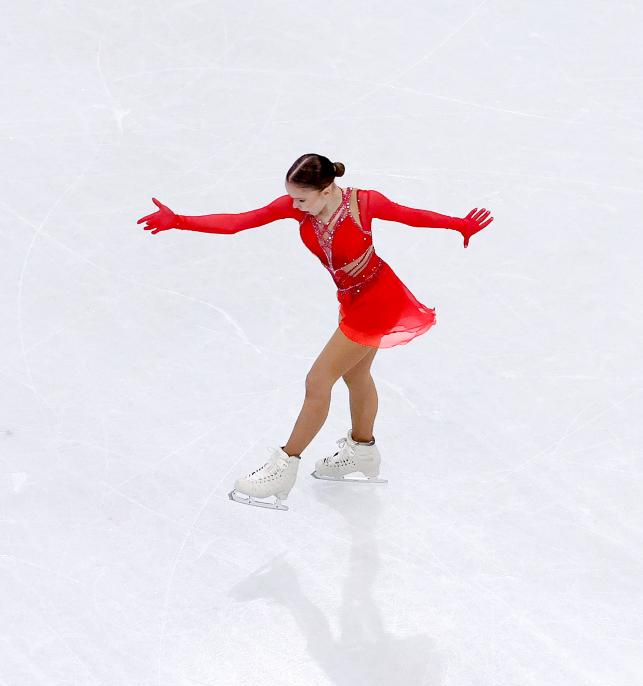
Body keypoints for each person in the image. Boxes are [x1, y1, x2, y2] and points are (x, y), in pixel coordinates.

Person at [136, 153, 493, 510]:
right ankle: (363, 451)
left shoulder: (364, 203)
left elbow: (410, 215)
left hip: (378, 300)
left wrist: (459, 224)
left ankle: (284, 466)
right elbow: (238, 222)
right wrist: (178, 220)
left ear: (327, 190)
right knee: (356, 375)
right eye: (292, 198)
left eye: (301, 199)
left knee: (317, 382)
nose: (294, 206)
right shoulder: (300, 208)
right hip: (352, 300)